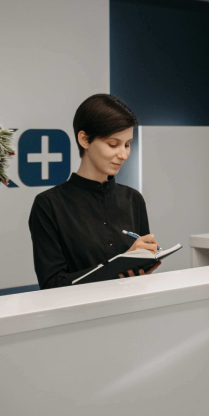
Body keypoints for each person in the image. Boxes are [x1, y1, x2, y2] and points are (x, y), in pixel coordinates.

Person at [29, 94, 160, 289]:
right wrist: (120, 264)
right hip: (80, 317)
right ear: (84, 139)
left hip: (131, 311)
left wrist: (143, 262)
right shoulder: (49, 205)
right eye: (113, 144)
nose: (123, 154)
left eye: (127, 144)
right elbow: (52, 284)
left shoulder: (133, 199)